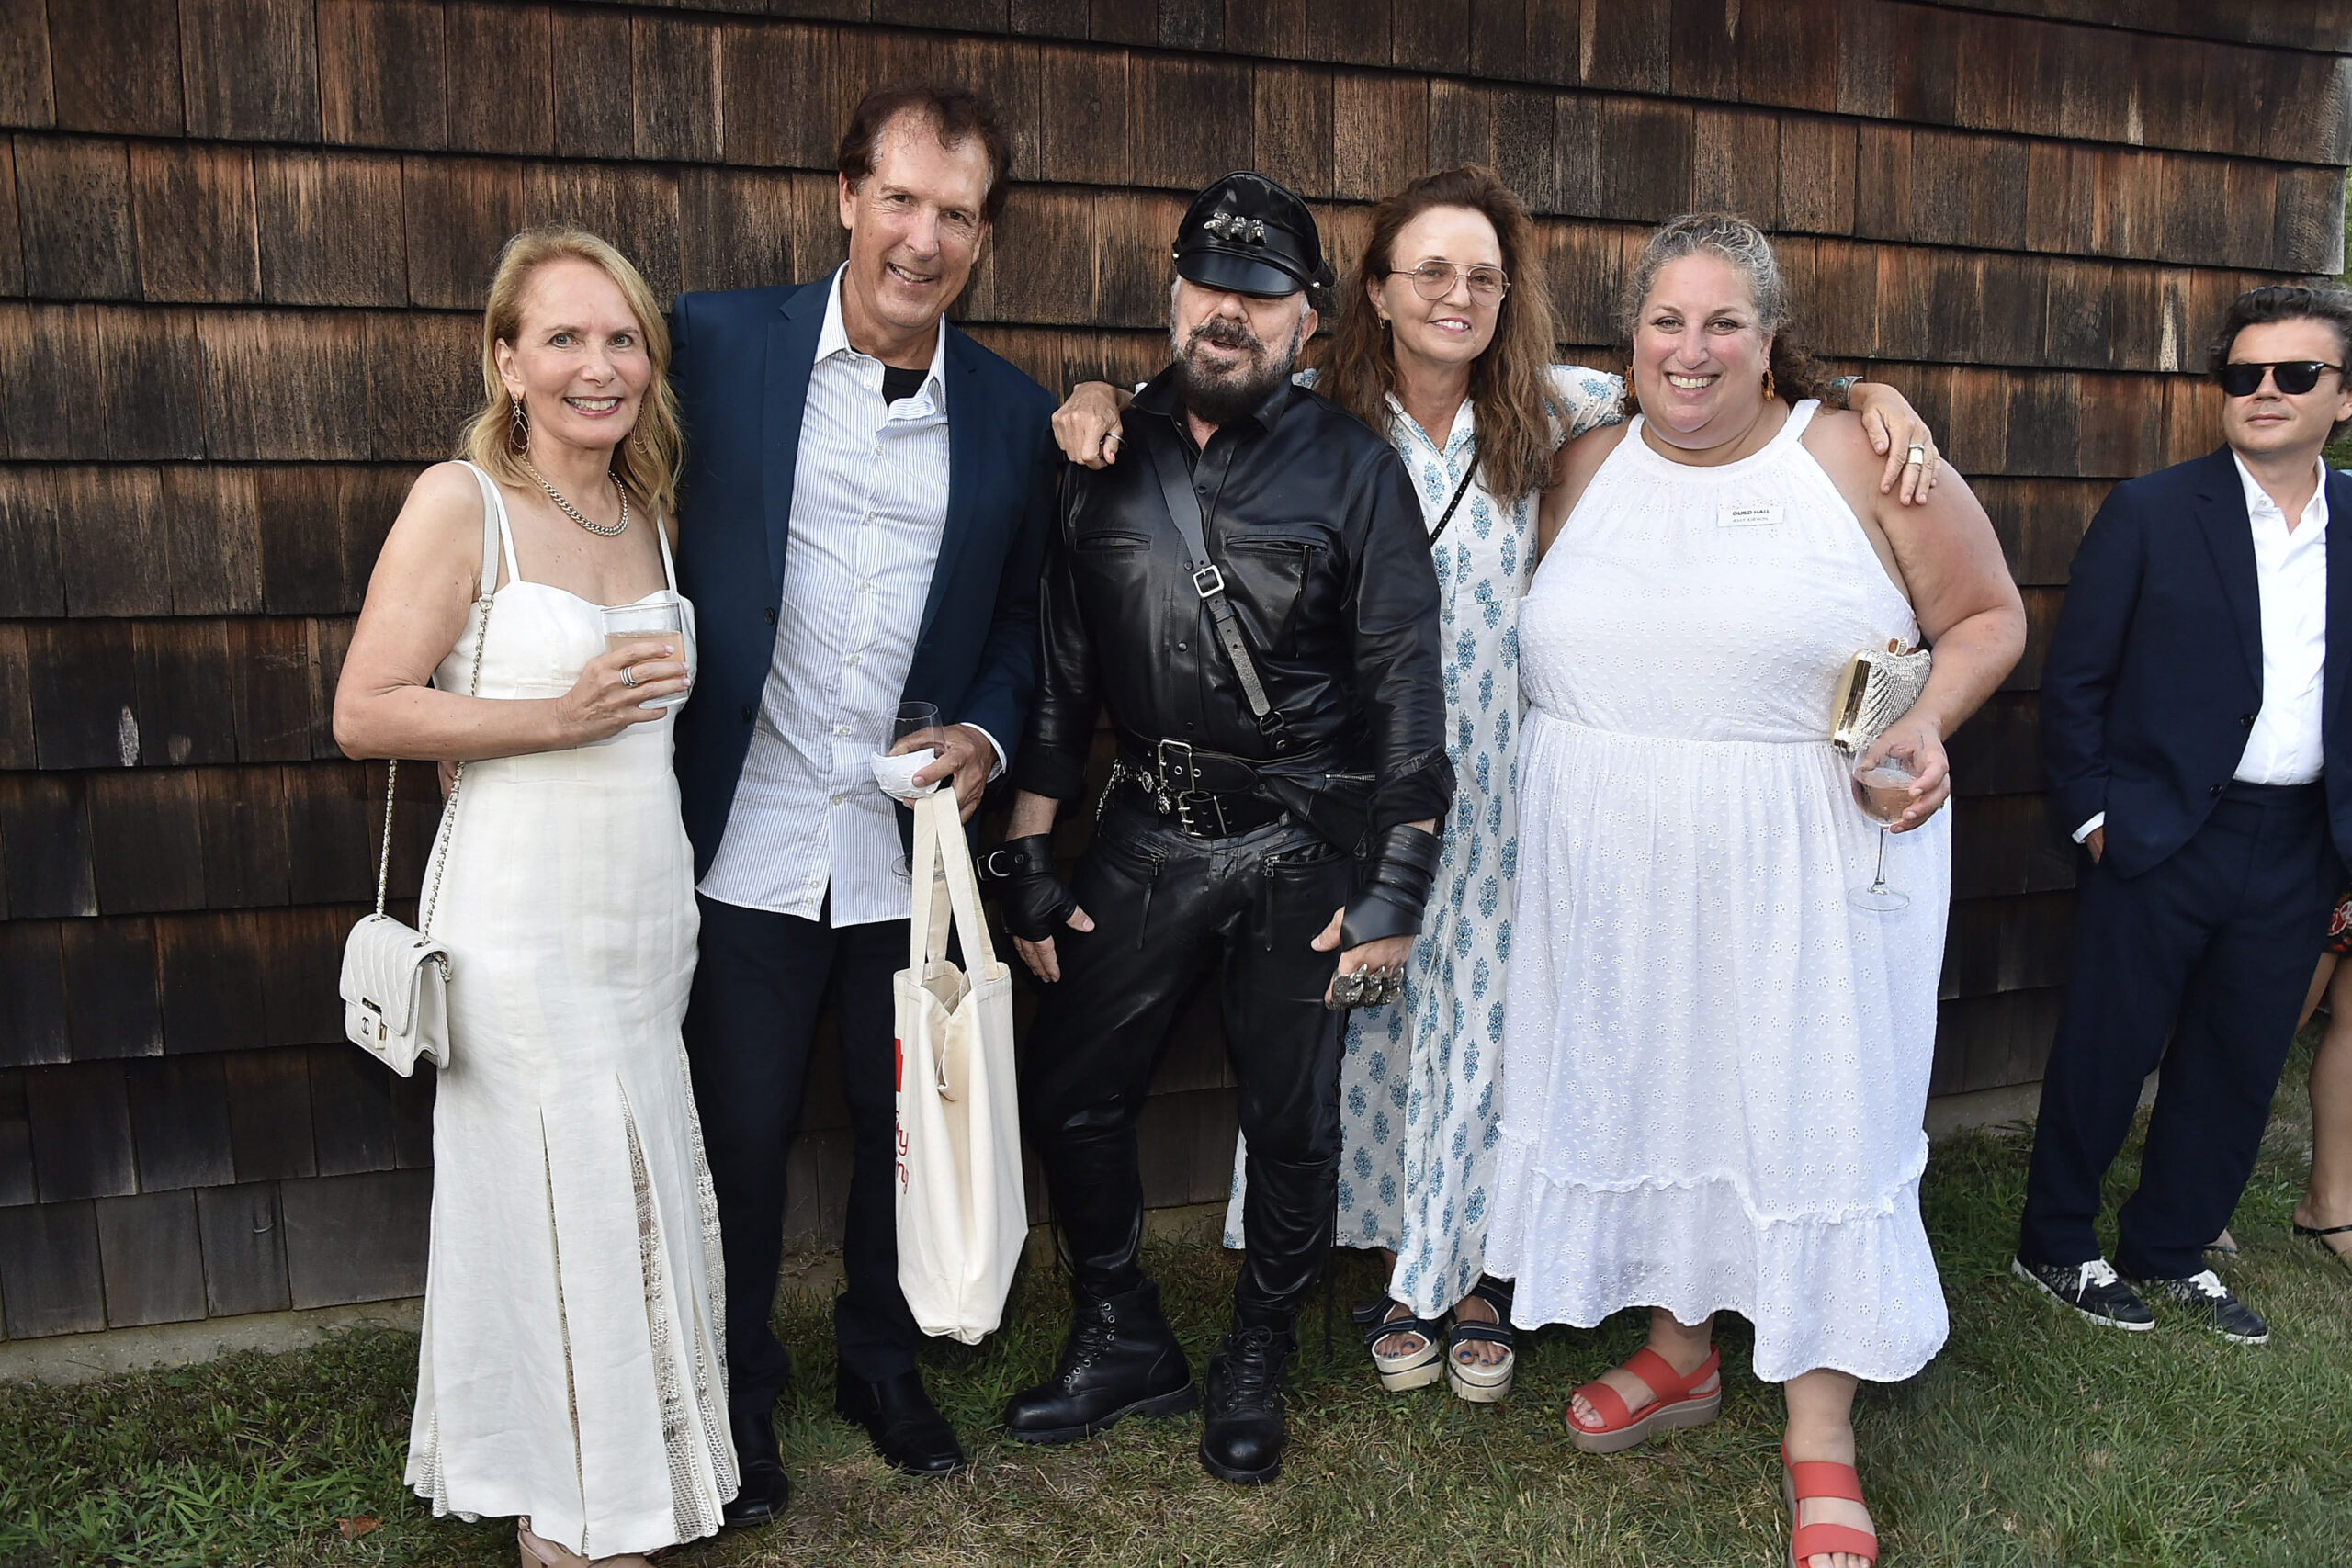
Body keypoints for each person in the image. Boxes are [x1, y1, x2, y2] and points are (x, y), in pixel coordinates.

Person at [1051, 168, 1944, 1406]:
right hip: (1350, 780)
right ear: (1372, 290)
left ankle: (1475, 1272)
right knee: (1366, 1028)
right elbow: (1174, 406)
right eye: (1430, 270)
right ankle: (1396, 1261)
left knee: (1489, 1020)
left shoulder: (1564, 410)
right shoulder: (1311, 407)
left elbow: (1719, 383)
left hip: (1514, 775)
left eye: (1481, 275)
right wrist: (1095, 393)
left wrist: (1867, 394)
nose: (1456, 296)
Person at [1488, 211, 2024, 1568]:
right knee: (1658, 1082)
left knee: (1808, 1106)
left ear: (1773, 337)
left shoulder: (1853, 451)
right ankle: (1681, 1348)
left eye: (1725, 321)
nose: (1693, 348)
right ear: (1629, 339)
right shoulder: (1580, 457)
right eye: (1668, 320)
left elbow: (1985, 614)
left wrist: (1924, 722)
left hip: (1813, 857)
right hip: (1610, 872)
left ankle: (1822, 1424)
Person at [988, 170, 1453, 1484]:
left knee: (1294, 1116)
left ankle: (1258, 1350)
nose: (1228, 314)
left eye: (1259, 295)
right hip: (1144, 829)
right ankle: (1123, 1330)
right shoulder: (1099, 450)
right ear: (1173, 292)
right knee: (1073, 1085)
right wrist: (1026, 847)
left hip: (1306, 837)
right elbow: (1066, 675)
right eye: (1208, 286)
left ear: (1306, 317)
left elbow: (1406, 691)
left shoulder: (1357, 471)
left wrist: (1395, 886)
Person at [664, 85, 1059, 1510]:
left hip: (908, 841)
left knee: (907, 1117)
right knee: (743, 1128)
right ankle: (736, 1386)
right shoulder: (711, 345)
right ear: (845, 196)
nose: (923, 236)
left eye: (956, 213)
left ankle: (880, 1359)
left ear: (984, 235)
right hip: (745, 826)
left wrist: (988, 733)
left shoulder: (1012, 413)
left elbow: (1022, 620)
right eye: (900, 198)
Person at [334, 225, 735, 1568]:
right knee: (548, 1190)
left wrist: (539, 726)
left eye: (620, 337)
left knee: (632, 1182)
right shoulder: (465, 502)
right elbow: (364, 709)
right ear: (507, 361)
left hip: (639, 913)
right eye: (562, 337)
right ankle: (564, 1516)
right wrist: (544, 718)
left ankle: (630, 1473)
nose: (597, 364)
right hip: (520, 922)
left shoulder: (645, 509)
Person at [2018, 284, 2352, 1347]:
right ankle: (2056, 1242)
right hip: (2157, 832)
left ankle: (2171, 1247)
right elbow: (2074, 683)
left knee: (2240, 1055)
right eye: (2241, 375)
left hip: (2301, 839)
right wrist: (2093, 821)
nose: (2262, 392)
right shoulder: (2152, 511)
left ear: (2340, 398)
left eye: (2292, 375)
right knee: (2107, 1048)